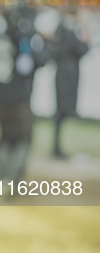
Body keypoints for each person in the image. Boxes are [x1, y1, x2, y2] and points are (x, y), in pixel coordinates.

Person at [0, 7, 51, 190]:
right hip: (18, 99)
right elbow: (34, 63)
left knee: (5, 138)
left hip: (0, 98)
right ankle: (10, 180)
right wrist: (44, 41)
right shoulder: (23, 38)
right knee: (23, 139)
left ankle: (1, 178)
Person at [49, 16, 89, 159]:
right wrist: (84, 37)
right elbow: (82, 49)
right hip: (66, 78)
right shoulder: (68, 33)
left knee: (62, 114)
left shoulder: (62, 32)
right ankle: (56, 148)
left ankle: (57, 147)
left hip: (65, 76)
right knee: (61, 113)